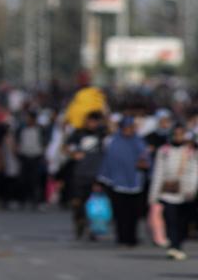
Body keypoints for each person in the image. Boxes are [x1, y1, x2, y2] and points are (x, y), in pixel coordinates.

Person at [97, 116, 150, 247]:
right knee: (120, 212)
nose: (129, 130)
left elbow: (147, 159)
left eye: (131, 128)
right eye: (126, 128)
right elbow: (108, 162)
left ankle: (132, 237)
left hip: (136, 181)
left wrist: (145, 164)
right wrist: (101, 180)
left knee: (134, 213)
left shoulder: (139, 142)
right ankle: (121, 236)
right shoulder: (114, 143)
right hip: (117, 183)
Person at [148, 124, 198, 260]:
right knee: (170, 220)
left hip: (185, 192)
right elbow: (158, 172)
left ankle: (179, 244)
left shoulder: (191, 152)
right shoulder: (164, 151)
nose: (178, 137)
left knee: (183, 222)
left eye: (181, 134)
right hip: (167, 192)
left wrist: (191, 189)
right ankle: (173, 246)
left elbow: (195, 171)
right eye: (176, 134)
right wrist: (154, 194)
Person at [64, 111, 107, 240]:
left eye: (95, 121)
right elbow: (65, 147)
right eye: (90, 121)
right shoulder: (78, 133)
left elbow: (113, 130)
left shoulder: (101, 133)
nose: (92, 124)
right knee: (78, 201)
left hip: (96, 172)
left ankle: (93, 228)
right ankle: (79, 221)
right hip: (79, 172)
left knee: (93, 202)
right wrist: (73, 154)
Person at [15, 111, 47, 208]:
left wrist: (42, 154)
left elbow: (44, 143)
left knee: (35, 180)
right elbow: (18, 142)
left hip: (36, 157)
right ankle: (23, 200)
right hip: (24, 156)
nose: (27, 120)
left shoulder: (40, 130)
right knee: (23, 180)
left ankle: (35, 201)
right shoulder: (22, 129)